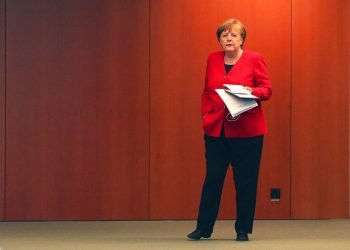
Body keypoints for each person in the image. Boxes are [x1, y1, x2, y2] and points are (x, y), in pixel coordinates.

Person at [187, 18, 272, 242]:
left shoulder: (254, 59)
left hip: (248, 133)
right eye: (224, 35)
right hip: (216, 131)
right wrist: (206, 113)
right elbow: (206, 90)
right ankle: (203, 228)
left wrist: (251, 90)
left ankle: (242, 230)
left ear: (242, 39)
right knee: (213, 179)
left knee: (245, 182)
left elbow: (267, 90)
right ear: (219, 40)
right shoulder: (212, 59)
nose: (229, 39)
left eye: (234, 35)